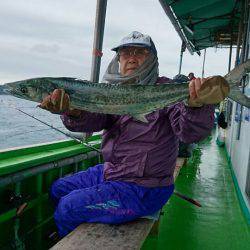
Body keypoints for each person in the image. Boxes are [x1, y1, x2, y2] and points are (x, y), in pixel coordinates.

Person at [40, 31, 217, 237]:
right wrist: (73, 111)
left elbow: (189, 133)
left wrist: (195, 107)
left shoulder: (167, 89)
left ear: (152, 59)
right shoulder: (111, 91)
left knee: (67, 208)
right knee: (58, 188)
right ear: (118, 59)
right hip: (113, 172)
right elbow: (94, 121)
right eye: (125, 53)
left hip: (145, 188)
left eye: (140, 52)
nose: (132, 58)